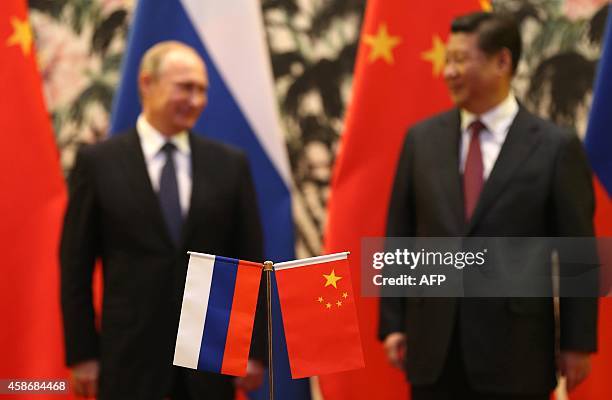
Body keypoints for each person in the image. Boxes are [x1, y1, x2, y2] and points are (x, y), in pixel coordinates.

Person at [379, 12, 598, 400]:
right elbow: (401, 234)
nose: (449, 72)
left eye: (461, 60)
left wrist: (577, 342)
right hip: (433, 349)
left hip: (517, 352)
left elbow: (579, 251)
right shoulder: (421, 140)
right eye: (448, 60)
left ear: (502, 62)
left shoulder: (554, 146)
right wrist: (393, 321)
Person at [60, 41, 266, 400]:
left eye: (202, 90)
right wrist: (83, 354)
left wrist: (253, 349)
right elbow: (75, 266)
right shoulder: (98, 163)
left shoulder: (229, 165)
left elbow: (248, 262)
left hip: (209, 357)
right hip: (127, 358)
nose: (197, 100)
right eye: (185, 87)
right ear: (146, 83)